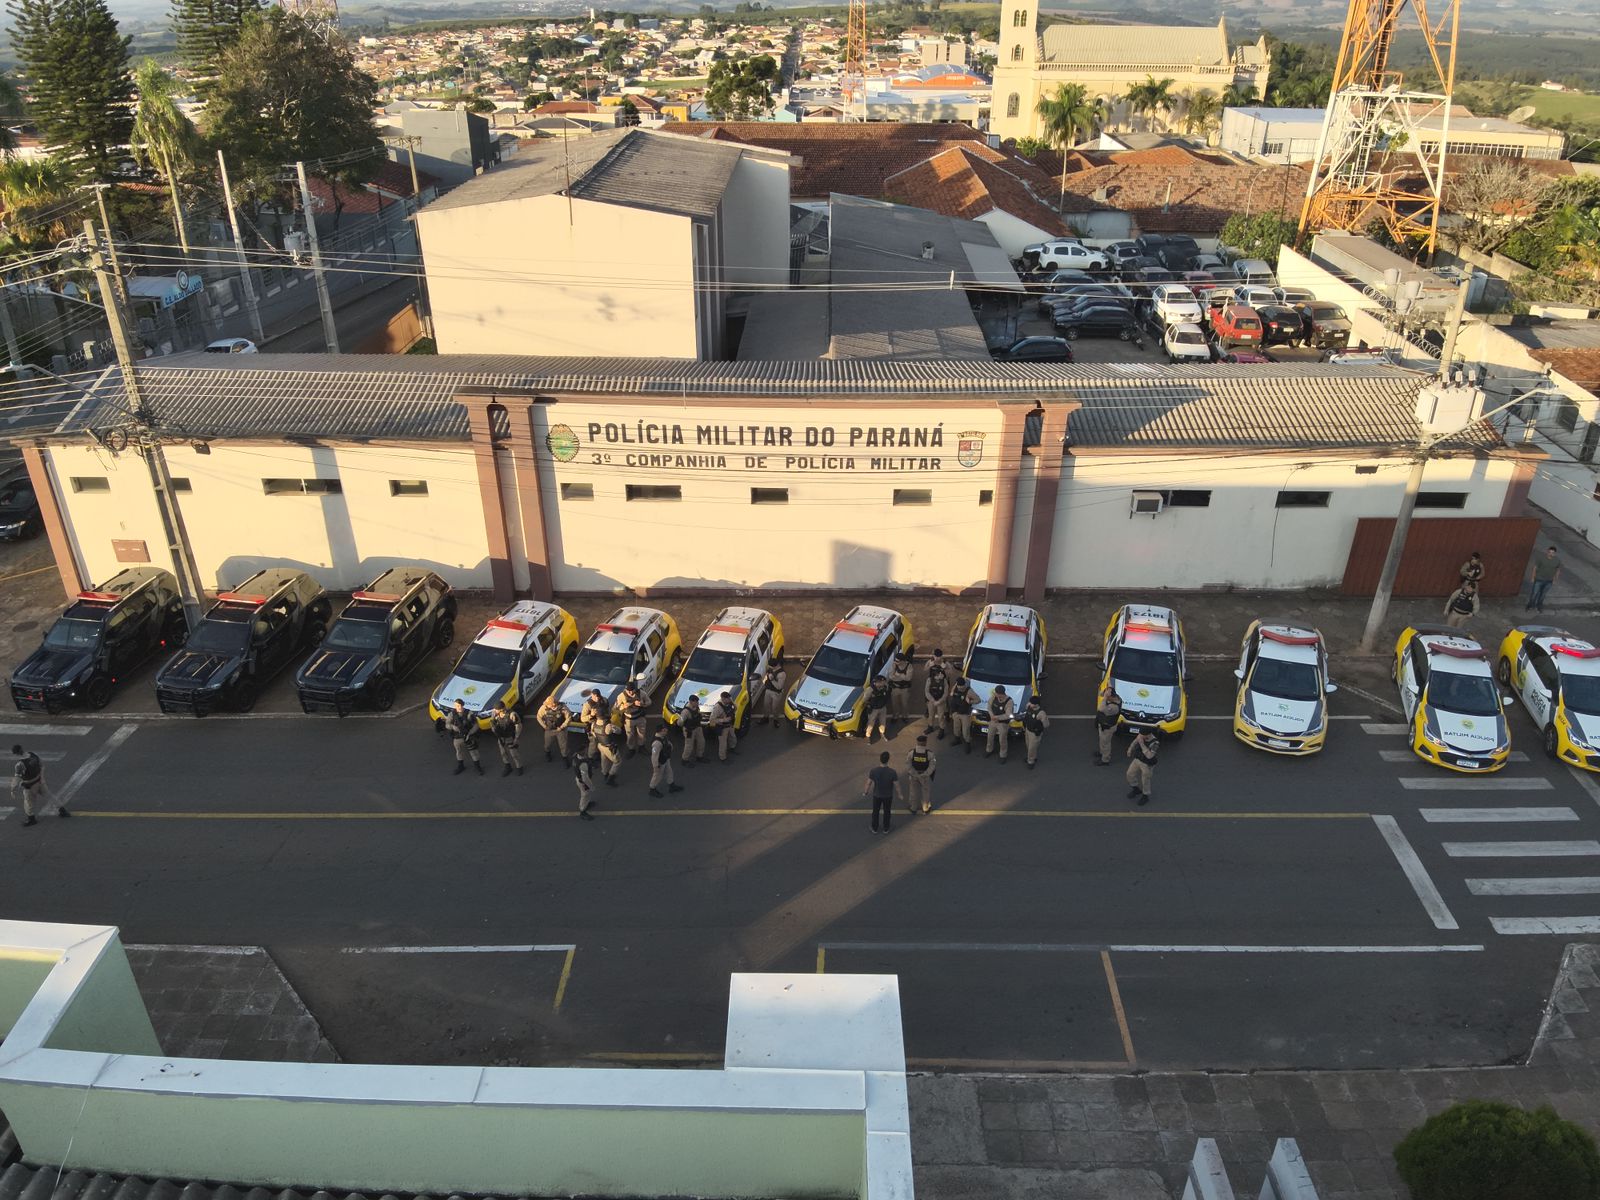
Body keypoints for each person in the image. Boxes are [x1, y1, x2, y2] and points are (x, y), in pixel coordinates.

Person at [11, 744, 68, 827]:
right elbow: (42, 766)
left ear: (16, 754)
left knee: (29, 803)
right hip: (39, 781)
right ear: (22, 749)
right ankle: (62, 811)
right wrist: (42, 778)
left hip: (29, 786)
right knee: (50, 796)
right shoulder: (33, 755)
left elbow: (17, 778)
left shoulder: (19, 764)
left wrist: (13, 789)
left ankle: (31, 819)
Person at [864, 750, 902, 834]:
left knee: (875, 812)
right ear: (888, 760)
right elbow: (897, 785)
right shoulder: (892, 772)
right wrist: (900, 794)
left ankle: (874, 828)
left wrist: (866, 791)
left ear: (880, 759)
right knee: (887, 812)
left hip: (877, 795)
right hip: (888, 796)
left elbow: (868, 783)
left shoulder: (874, 771)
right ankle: (886, 828)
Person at [444, 700, 484, 776]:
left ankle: (477, 766)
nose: (459, 707)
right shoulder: (452, 714)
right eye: (457, 706)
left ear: (463, 705)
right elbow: (447, 724)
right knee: (459, 751)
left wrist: (470, 733)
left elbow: (476, 725)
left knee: (473, 752)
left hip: (469, 736)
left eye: (460, 705)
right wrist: (452, 727)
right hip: (458, 736)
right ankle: (461, 765)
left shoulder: (469, 714)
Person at [904, 734, 936, 815]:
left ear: (917, 742)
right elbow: (932, 766)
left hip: (914, 776)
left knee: (913, 791)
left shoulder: (911, 752)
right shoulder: (929, 754)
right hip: (925, 776)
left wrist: (914, 773)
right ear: (925, 742)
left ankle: (913, 808)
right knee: (925, 792)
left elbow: (908, 765)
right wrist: (925, 774)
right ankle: (925, 808)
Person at [488, 704, 523, 776]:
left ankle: (519, 767)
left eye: (496, 709)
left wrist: (516, 737)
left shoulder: (512, 714)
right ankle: (507, 766)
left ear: (501, 709)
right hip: (501, 738)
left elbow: (518, 725)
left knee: (514, 754)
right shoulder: (495, 714)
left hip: (510, 737)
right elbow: (492, 724)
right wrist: (495, 732)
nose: (494, 710)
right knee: (503, 753)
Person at [648, 725, 683, 798]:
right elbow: (654, 756)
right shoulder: (657, 743)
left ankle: (671, 785)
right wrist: (656, 766)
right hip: (660, 761)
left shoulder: (663, 737)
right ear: (660, 731)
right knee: (658, 776)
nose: (666, 732)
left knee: (669, 771)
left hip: (665, 759)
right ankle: (652, 789)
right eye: (664, 730)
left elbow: (668, 744)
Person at [1126, 729, 1158, 807]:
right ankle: (1135, 789)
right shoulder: (1141, 735)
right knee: (1129, 774)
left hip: (1147, 763)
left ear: (1148, 734)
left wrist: (1142, 744)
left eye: (1142, 735)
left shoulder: (1155, 743)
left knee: (1145, 780)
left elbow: (1149, 756)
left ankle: (1145, 795)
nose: (1140, 736)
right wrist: (1130, 749)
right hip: (1138, 759)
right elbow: (1135, 741)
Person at [537, 695, 573, 763]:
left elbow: (569, 718)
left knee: (563, 745)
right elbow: (539, 717)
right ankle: (547, 752)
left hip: (560, 730)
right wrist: (545, 726)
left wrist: (562, 727)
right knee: (547, 743)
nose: (547, 705)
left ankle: (565, 757)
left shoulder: (563, 708)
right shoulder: (544, 707)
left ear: (553, 704)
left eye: (548, 704)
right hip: (549, 730)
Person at [948, 676, 979, 753]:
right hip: (956, 712)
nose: (960, 688)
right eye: (959, 686)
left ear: (964, 685)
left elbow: (978, 700)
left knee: (965, 731)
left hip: (965, 714)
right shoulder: (956, 687)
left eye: (961, 687)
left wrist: (970, 702)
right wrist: (953, 712)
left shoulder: (969, 691)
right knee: (956, 727)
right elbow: (952, 694)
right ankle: (957, 739)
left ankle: (968, 744)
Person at [1094, 686, 1123, 766]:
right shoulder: (1115, 697)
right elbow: (1100, 694)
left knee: (1106, 743)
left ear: (1111, 696)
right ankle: (1102, 752)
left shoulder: (1114, 707)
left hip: (1108, 728)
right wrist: (1106, 692)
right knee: (1102, 740)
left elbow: (1101, 708)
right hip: (1104, 724)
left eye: (1107, 695)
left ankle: (1105, 759)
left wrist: (1105, 697)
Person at [1527, 546, 1562, 612]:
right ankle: (1530, 606)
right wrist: (1532, 577)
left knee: (1543, 595)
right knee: (1534, 594)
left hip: (1549, 581)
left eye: (1552, 553)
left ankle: (1539, 606)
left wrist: (1555, 579)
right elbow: (1535, 568)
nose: (1550, 554)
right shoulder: (1541, 558)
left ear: (1555, 554)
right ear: (1547, 552)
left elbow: (1558, 570)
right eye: (1549, 552)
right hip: (1539, 579)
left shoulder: (1557, 560)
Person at [619, 680, 648, 756]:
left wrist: (642, 704)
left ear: (635, 689)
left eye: (632, 690)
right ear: (625, 690)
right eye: (628, 691)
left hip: (640, 717)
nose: (630, 692)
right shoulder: (621, 696)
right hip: (629, 720)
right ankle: (631, 749)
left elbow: (649, 702)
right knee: (630, 736)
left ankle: (641, 747)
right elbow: (616, 708)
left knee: (641, 733)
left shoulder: (641, 693)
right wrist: (623, 706)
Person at [985, 688, 1016, 761]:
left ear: (1000, 694)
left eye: (996, 693)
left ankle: (1003, 755)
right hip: (993, 721)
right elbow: (989, 706)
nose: (995, 694)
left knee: (1002, 739)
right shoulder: (993, 697)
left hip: (1003, 723)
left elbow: (1008, 715)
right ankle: (989, 750)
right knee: (990, 736)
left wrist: (997, 717)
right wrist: (992, 715)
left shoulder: (1009, 701)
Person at [709, 691, 739, 761]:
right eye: (727, 699)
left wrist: (733, 704)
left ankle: (732, 748)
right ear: (723, 699)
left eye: (729, 698)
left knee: (733, 737)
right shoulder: (718, 707)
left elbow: (735, 708)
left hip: (730, 724)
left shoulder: (730, 701)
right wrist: (723, 720)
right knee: (723, 743)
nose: (729, 700)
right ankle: (723, 757)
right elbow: (712, 719)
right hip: (722, 727)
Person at [1021, 697, 1050, 769]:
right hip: (1028, 730)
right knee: (1028, 745)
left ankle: (1031, 761)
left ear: (1036, 705)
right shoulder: (1029, 706)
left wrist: (1041, 725)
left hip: (1034, 733)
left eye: (1031, 703)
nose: (1029, 704)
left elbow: (1046, 725)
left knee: (1032, 748)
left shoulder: (1041, 713)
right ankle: (1033, 756)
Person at [579, 689, 609, 756]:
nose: (597, 698)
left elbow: (607, 710)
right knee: (593, 743)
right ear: (592, 695)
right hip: (593, 726)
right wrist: (591, 715)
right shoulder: (587, 705)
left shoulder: (604, 700)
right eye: (595, 696)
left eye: (598, 696)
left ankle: (602, 754)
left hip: (604, 724)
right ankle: (591, 757)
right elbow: (582, 719)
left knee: (604, 742)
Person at [680, 694, 707, 765]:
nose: (698, 703)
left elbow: (698, 714)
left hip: (697, 727)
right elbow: (680, 722)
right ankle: (684, 760)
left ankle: (699, 756)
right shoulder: (685, 711)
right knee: (689, 746)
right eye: (696, 702)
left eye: (697, 702)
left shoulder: (696, 707)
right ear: (691, 702)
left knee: (701, 742)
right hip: (689, 730)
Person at [760, 656, 788, 725]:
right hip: (768, 690)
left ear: (776, 666)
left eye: (771, 667)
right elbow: (766, 677)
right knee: (766, 706)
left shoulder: (782, 674)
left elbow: (779, 687)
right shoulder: (770, 668)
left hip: (776, 693)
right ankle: (766, 718)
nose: (770, 668)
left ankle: (776, 720)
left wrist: (772, 680)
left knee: (774, 708)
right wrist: (764, 681)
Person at [924, 664, 948, 740]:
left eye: (941, 673)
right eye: (939, 674)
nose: (941, 675)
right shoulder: (929, 680)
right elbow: (927, 692)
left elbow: (946, 693)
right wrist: (933, 700)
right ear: (935, 675)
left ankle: (942, 729)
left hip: (941, 701)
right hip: (932, 700)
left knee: (941, 716)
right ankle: (930, 727)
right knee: (931, 715)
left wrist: (939, 701)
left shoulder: (944, 681)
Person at [598, 717, 625, 786]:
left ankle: (605, 774)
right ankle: (610, 778)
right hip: (609, 747)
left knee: (604, 760)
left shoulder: (594, 724)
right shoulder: (608, 726)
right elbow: (619, 731)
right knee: (617, 761)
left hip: (600, 745)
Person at [862, 676, 890, 742]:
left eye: (884, 681)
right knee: (870, 723)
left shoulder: (885, 687)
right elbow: (865, 699)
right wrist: (869, 705)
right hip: (874, 709)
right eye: (882, 682)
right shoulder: (870, 690)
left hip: (883, 708)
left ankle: (882, 733)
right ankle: (868, 735)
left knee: (883, 721)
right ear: (877, 682)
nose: (884, 683)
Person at [889, 650, 914, 718]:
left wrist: (898, 675)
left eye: (897, 661)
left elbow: (908, 678)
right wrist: (903, 676)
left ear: (902, 661)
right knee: (895, 704)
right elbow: (891, 676)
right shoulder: (894, 665)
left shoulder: (909, 666)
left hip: (905, 689)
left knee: (905, 704)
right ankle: (895, 716)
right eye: (895, 660)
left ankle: (905, 716)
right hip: (895, 688)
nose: (895, 662)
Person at [572, 752, 596, 820]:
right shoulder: (583, 764)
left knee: (586, 794)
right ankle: (582, 811)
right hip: (584, 782)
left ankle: (587, 804)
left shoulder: (575, 757)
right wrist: (591, 787)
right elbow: (585, 779)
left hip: (579, 778)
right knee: (585, 795)